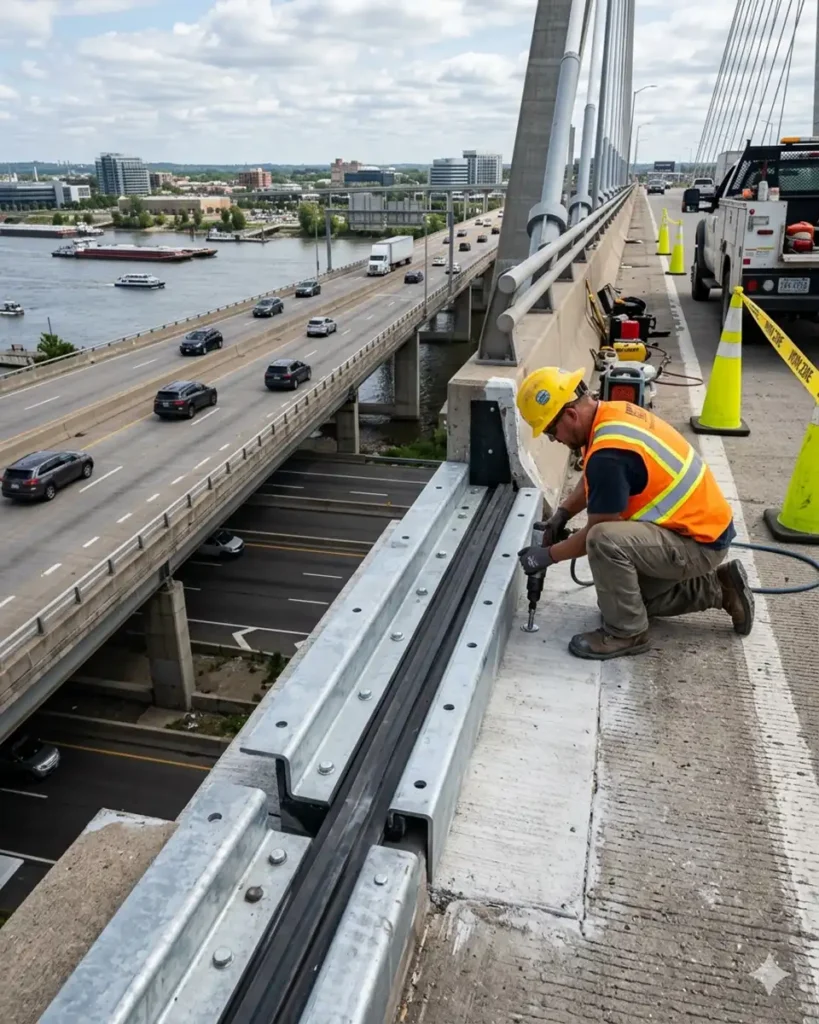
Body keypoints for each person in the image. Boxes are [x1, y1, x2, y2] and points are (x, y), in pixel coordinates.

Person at [515, 366, 754, 660]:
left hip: (697, 543)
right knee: (624, 598)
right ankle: (720, 587)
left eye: (552, 431)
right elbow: (593, 474)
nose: (554, 439)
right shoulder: (611, 413)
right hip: (702, 527)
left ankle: (627, 633)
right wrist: (562, 513)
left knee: (604, 541)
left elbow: (596, 534)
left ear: (571, 415)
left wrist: (547, 556)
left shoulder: (609, 454)